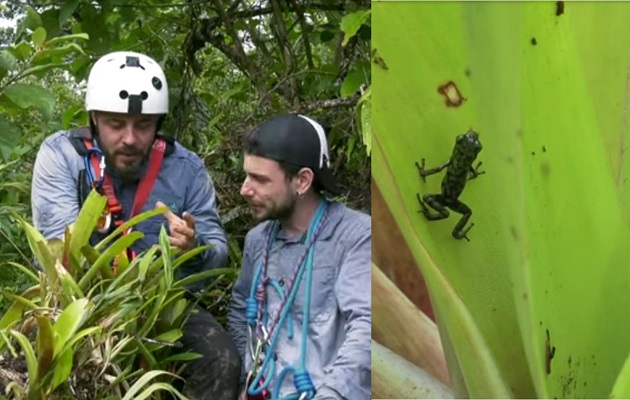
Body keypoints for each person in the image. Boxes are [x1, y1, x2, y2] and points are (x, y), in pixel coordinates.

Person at [30, 50, 241, 400]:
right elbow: (57, 255)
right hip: (80, 301)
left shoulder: (186, 169)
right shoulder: (63, 156)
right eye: (116, 124)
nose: (129, 138)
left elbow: (217, 252)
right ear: (95, 118)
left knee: (222, 361)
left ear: (157, 124)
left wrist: (195, 246)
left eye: (143, 125)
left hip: (162, 301)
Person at [226, 113, 371, 400]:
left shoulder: (356, 237)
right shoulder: (258, 241)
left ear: (302, 181)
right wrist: (248, 380)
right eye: (246, 175)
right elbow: (241, 308)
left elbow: (367, 329)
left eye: (259, 179)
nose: (244, 189)